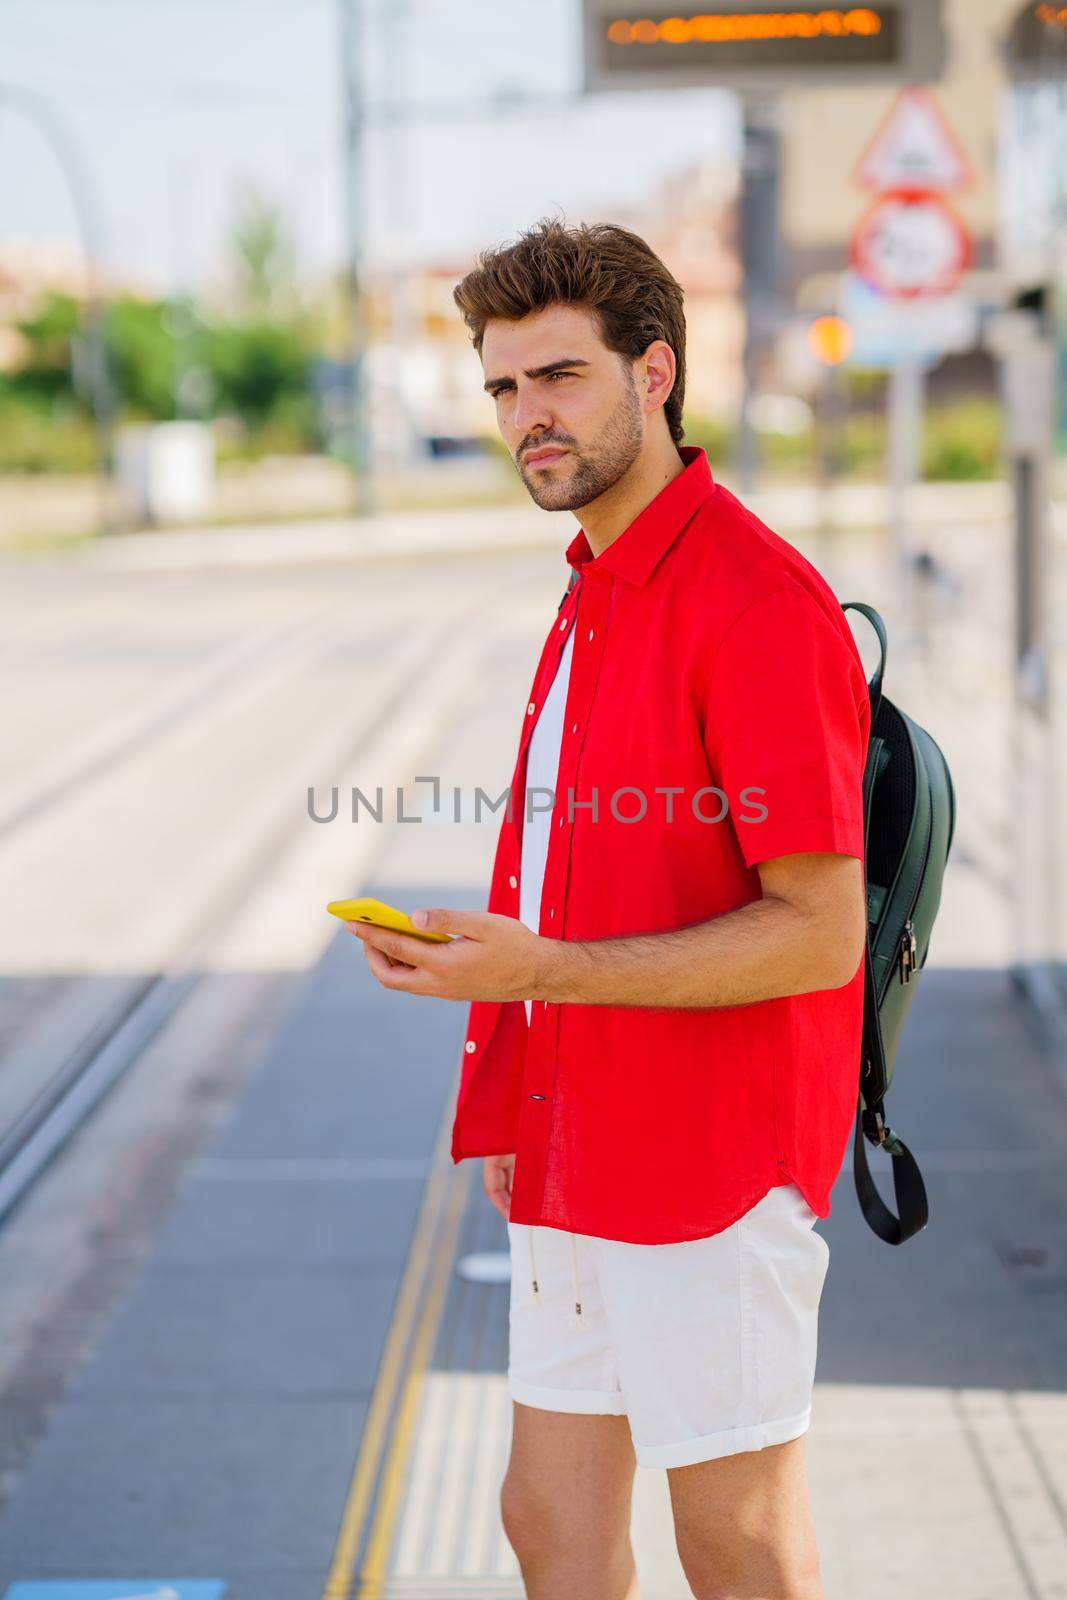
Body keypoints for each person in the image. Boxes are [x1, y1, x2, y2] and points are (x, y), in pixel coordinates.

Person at [350, 217, 870, 1600]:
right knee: (548, 1521)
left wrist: (547, 972)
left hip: (709, 1159)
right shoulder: (591, 589)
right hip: (577, 1143)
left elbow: (824, 931)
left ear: (656, 374)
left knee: (737, 1538)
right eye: (506, 388)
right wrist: (516, 1062)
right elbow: (571, 876)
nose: (529, 417)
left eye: (561, 377)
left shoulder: (757, 601)